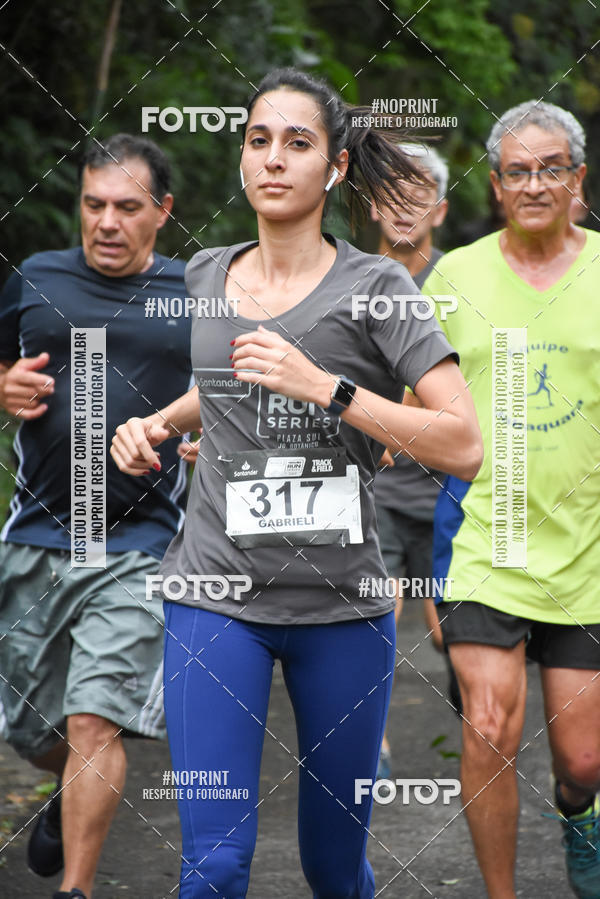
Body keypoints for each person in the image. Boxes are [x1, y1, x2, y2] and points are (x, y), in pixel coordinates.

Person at [111, 67, 482, 899]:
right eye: (258, 141)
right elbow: (227, 382)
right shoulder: (205, 273)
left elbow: (462, 443)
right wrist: (162, 425)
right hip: (214, 597)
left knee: (333, 868)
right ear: (242, 162)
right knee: (214, 864)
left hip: (342, 610)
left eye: (298, 142)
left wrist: (329, 389)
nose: (274, 159)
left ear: (337, 168)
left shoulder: (380, 288)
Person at [0, 133, 192, 899]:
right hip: (38, 536)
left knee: (93, 722)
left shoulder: (199, 290)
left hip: (139, 542)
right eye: (93, 204)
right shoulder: (33, 278)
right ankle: (65, 791)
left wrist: (191, 433)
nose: (107, 222)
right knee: (30, 727)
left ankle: (74, 890)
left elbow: (239, 381)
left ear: (163, 212)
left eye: (127, 207)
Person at [424, 100, 600, 899]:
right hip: (484, 540)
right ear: (496, 185)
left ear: (579, 180)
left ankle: (579, 811)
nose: (536, 182)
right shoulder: (455, 277)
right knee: (488, 727)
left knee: (585, 758)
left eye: (551, 167)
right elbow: (412, 403)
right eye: (519, 170)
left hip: (586, 548)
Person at [369, 145, 454, 777]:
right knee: (378, 608)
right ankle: (370, 739)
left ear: (440, 209)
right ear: (372, 204)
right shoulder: (350, 278)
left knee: (453, 625)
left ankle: (478, 728)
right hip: (379, 482)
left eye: (419, 194)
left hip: (455, 487)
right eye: (393, 192)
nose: (405, 206)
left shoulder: (462, 282)